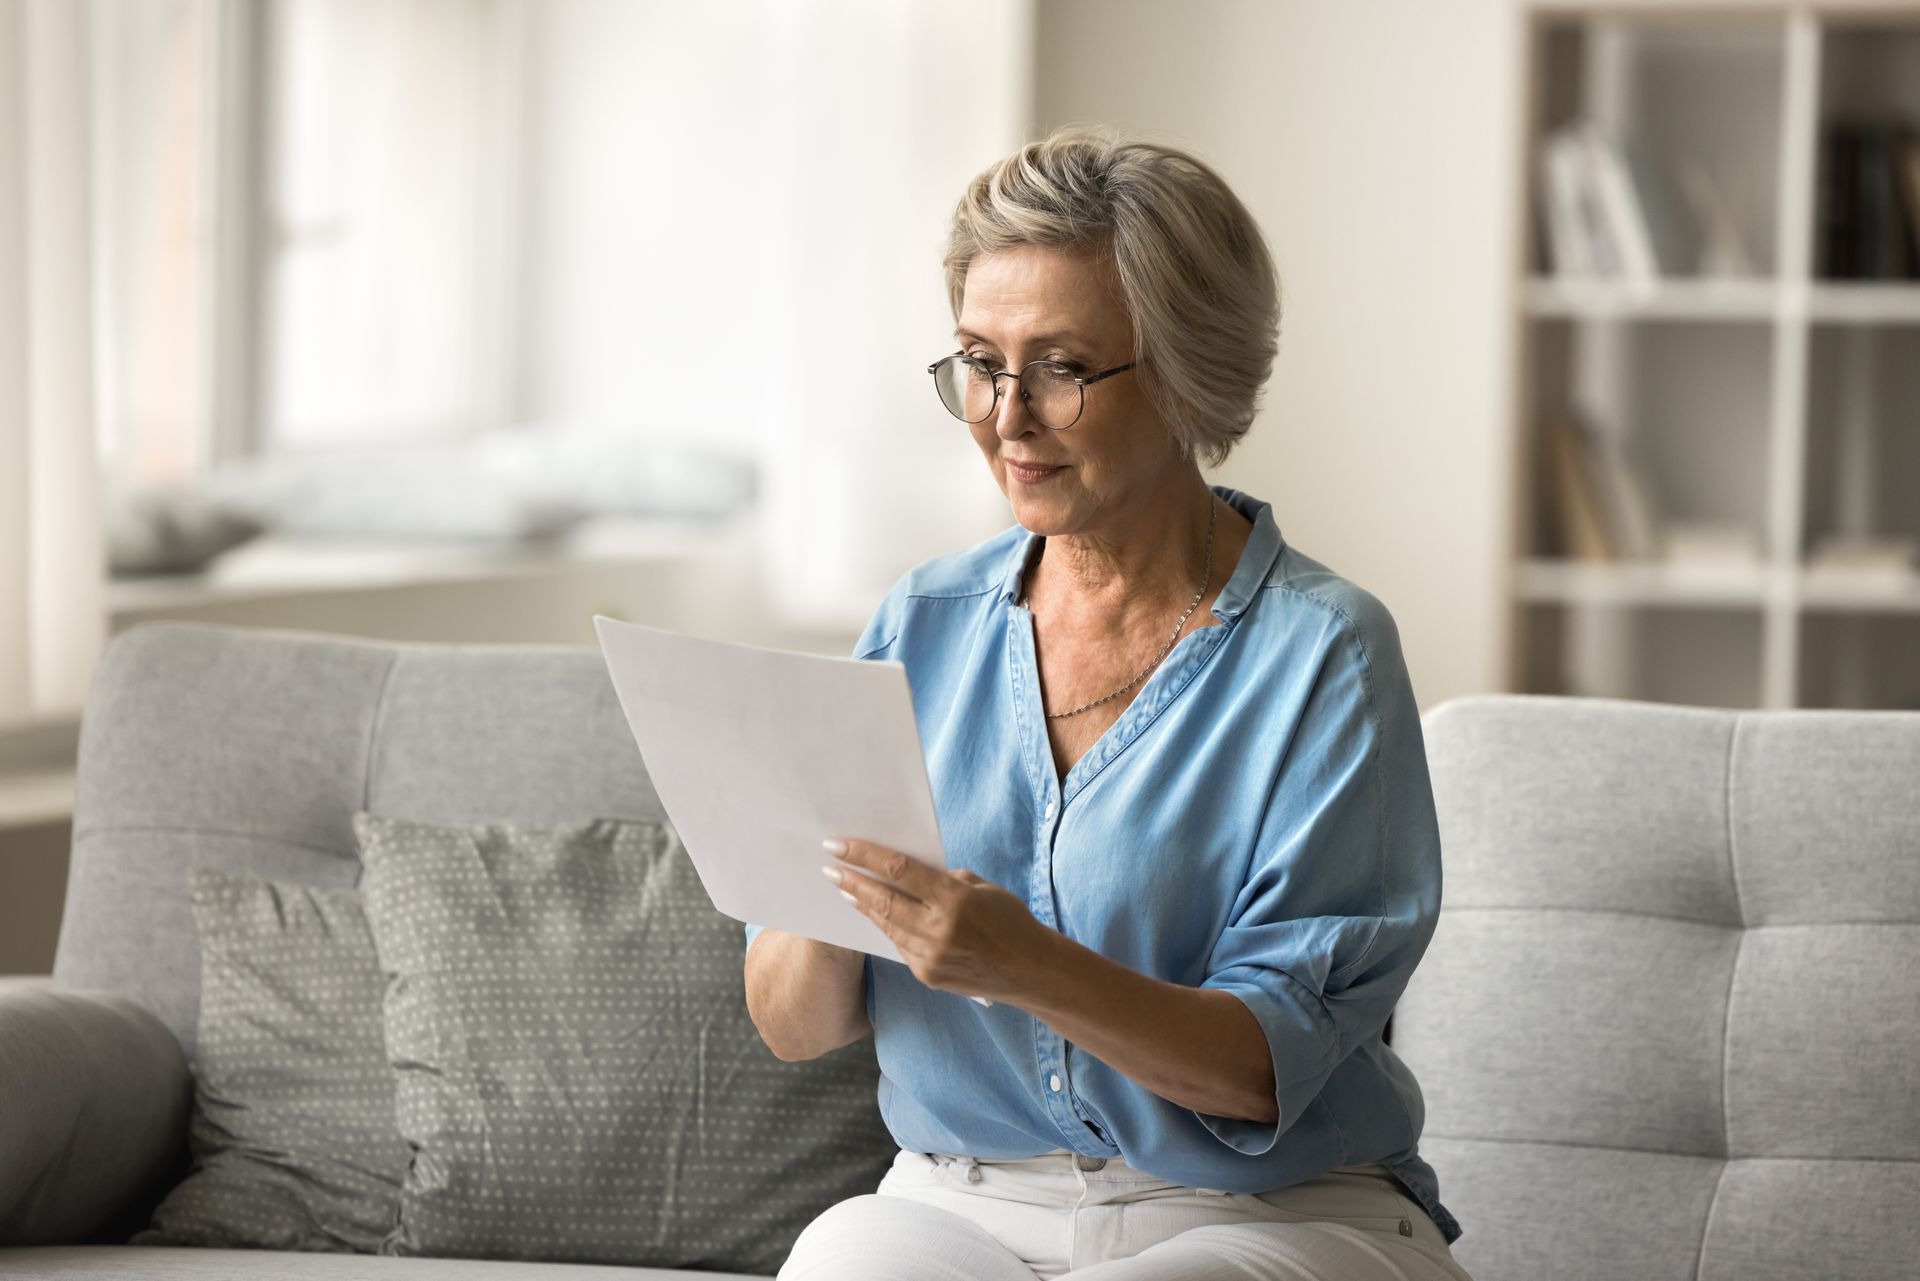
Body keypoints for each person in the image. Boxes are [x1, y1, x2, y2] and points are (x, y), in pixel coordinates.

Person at [741, 124, 1474, 1281]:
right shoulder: (916, 627)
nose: (1005, 415)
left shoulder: (1324, 653)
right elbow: (793, 1024)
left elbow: (1259, 1069)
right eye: (979, 361)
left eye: (1061, 368)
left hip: (1268, 1212)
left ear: (1186, 375)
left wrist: (1021, 962)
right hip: (958, 1201)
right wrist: (830, 899)